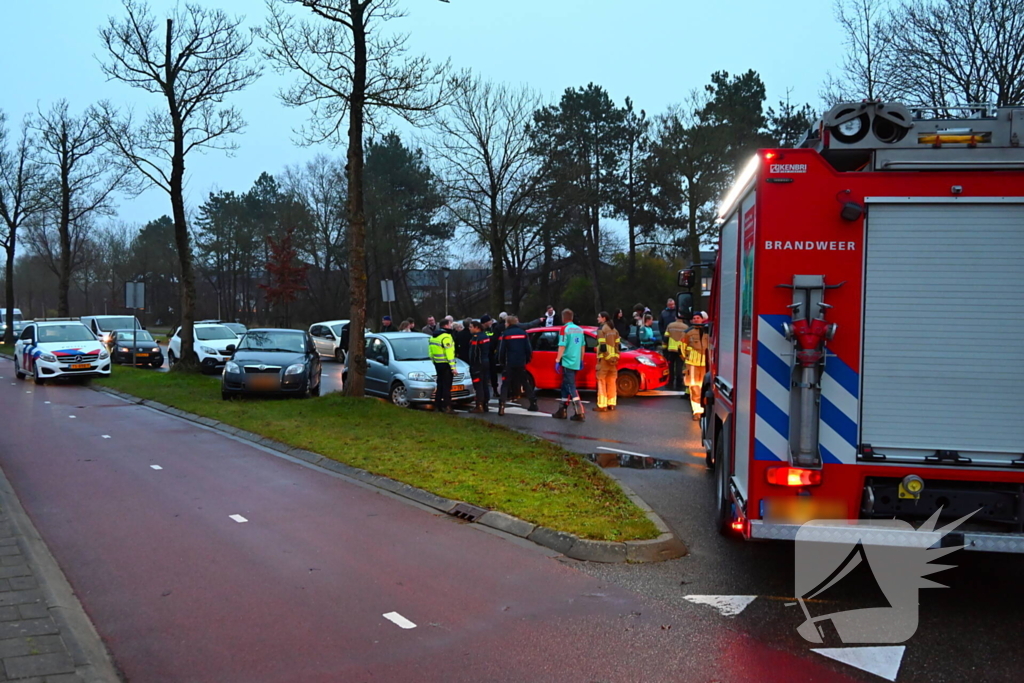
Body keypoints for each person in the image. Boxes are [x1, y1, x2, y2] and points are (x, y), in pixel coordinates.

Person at [497, 315, 538, 415]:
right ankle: (533, 403)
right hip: (520, 363)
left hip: (509, 363)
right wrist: (527, 360)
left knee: (505, 384)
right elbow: (528, 349)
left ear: (509, 323)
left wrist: (501, 362)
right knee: (525, 383)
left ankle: (502, 406)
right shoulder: (523, 333)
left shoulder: (505, 334)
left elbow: (501, 350)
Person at [553, 308, 585, 422]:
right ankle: (562, 410)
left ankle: (579, 411)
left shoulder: (564, 329)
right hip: (576, 361)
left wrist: (557, 360)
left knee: (571, 386)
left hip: (567, 361)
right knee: (565, 385)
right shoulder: (580, 330)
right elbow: (582, 346)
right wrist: (581, 360)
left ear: (563, 318)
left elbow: (562, 346)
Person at [682, 311, 710, 421]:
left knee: (705, 388)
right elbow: (682, 348)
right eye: (694, 318)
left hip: (706, 365)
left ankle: (705, 410)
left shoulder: (708, 331)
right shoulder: (688, 332)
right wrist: (687, 359)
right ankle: (697, 411)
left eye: (698, 317)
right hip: (693, 365)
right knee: (694, 388)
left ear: (702, 319)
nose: (696, 319)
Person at [428, 318, 456, 414]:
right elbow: (450, 354)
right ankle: (447, 407)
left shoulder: (433, 337)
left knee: (440, 385)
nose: (451, 325)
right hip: (446, 365)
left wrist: (435, 362)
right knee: (447, 386)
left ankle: (437, 405)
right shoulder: (446, 337)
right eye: (450, 324)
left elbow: (430, 353)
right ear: (446, 326)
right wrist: (453, 368)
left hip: (438, 364)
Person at [595, 311, 620, 412]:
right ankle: (612, 403)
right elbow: (618, 345)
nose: (597, 319)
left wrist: (608, 357)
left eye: (599, 317)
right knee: (612, 382)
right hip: (614, 361)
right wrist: (615, 357)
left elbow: (602, 346)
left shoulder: (601, 329)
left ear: (604, 318)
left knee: (601, 381)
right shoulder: (614, 330)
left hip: (605, 360)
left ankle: (602, 405)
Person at [467, 320, 491, 413]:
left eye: (471, 327)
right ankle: (485, 404)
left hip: (478, 365)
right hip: (485, 362)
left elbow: (473, 353)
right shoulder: (485, 336)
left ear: (476, 327)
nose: (469, 329)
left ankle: (479, 405)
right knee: (485, 384)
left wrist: (473, 365)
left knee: (478, 385)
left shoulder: (476, 338)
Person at [665, 314, 689, 389]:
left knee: (670, 367)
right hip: (680, 349)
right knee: (679, 367)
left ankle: (670, 383)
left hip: (671, 349)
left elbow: (666, 336)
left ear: (675, 317)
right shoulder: (686, 327)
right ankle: (679, 383)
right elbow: (687, 340)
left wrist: (665, 347)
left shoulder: (670, 325)